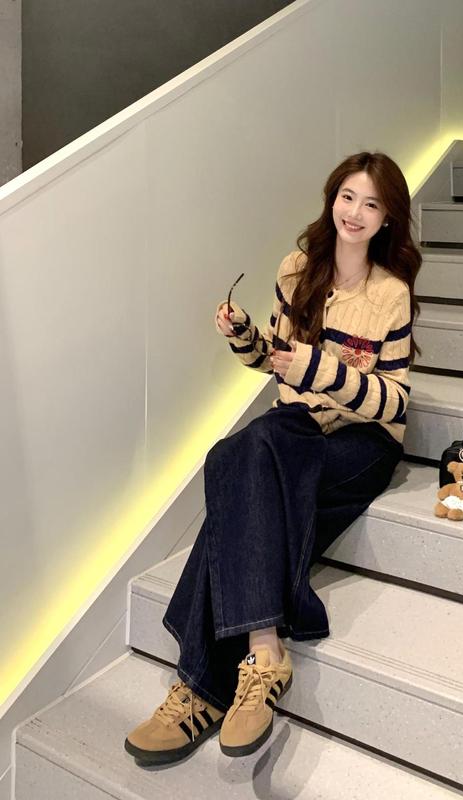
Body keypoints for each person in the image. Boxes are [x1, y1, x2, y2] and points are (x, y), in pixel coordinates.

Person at [124, 150, 421, 767]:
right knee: (245, 454)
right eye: (347, 196)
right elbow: (273, 359)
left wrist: (315, 367)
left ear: (388, 217)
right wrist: (245, 337)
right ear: (331, 198)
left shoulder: (390, 294)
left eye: (371, 204)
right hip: (294, 429)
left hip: (361, 439)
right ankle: (264, 652)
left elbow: (393, 400)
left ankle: (198, 689)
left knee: (239, 461)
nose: (355, 212)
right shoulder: (296, 270)